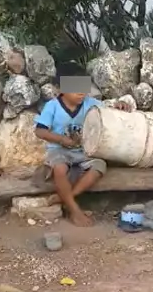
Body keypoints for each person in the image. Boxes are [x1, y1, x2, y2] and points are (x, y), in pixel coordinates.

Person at [33, 78, 131, 227]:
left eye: (83, 88)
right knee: (60, 169)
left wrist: (119, 105)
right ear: (61, 89)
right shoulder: (52, 106)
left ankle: (66, 198)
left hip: (83, 151)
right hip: (59, 150)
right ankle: (74, 210)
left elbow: (108, 108)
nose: (81, 93)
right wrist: (61, 139)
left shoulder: (90, 104)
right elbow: (39, 131)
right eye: (75, 88)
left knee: (99, 166)